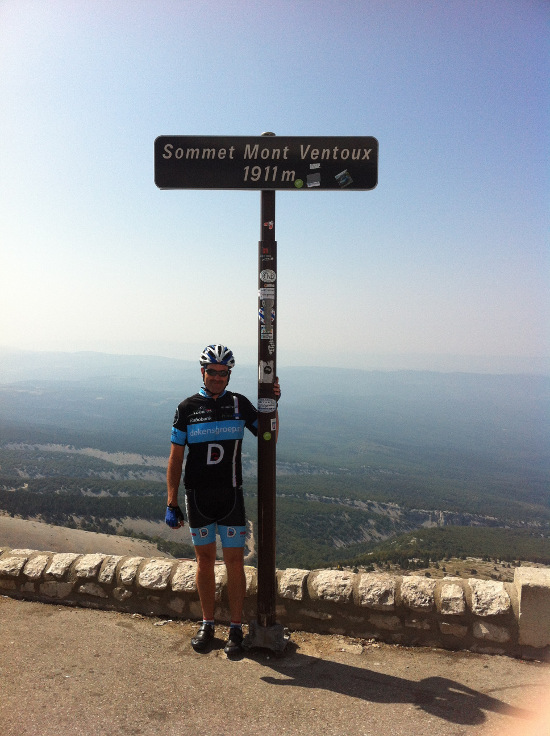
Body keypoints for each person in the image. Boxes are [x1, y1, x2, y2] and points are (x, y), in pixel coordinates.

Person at [165, 343, 280, 656]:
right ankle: (207, 623)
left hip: (231, 496)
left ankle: (235, 628)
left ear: (229, 375)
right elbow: (176, 458)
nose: (217, 377)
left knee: (234, 563)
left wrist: (273, 406)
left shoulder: (240, 405)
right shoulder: (186, 408)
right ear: (202, 372)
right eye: (212, 371)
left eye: (223, 373)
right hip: (197, 496)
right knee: (204, 562)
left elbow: (269, 436)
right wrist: (171, 501)